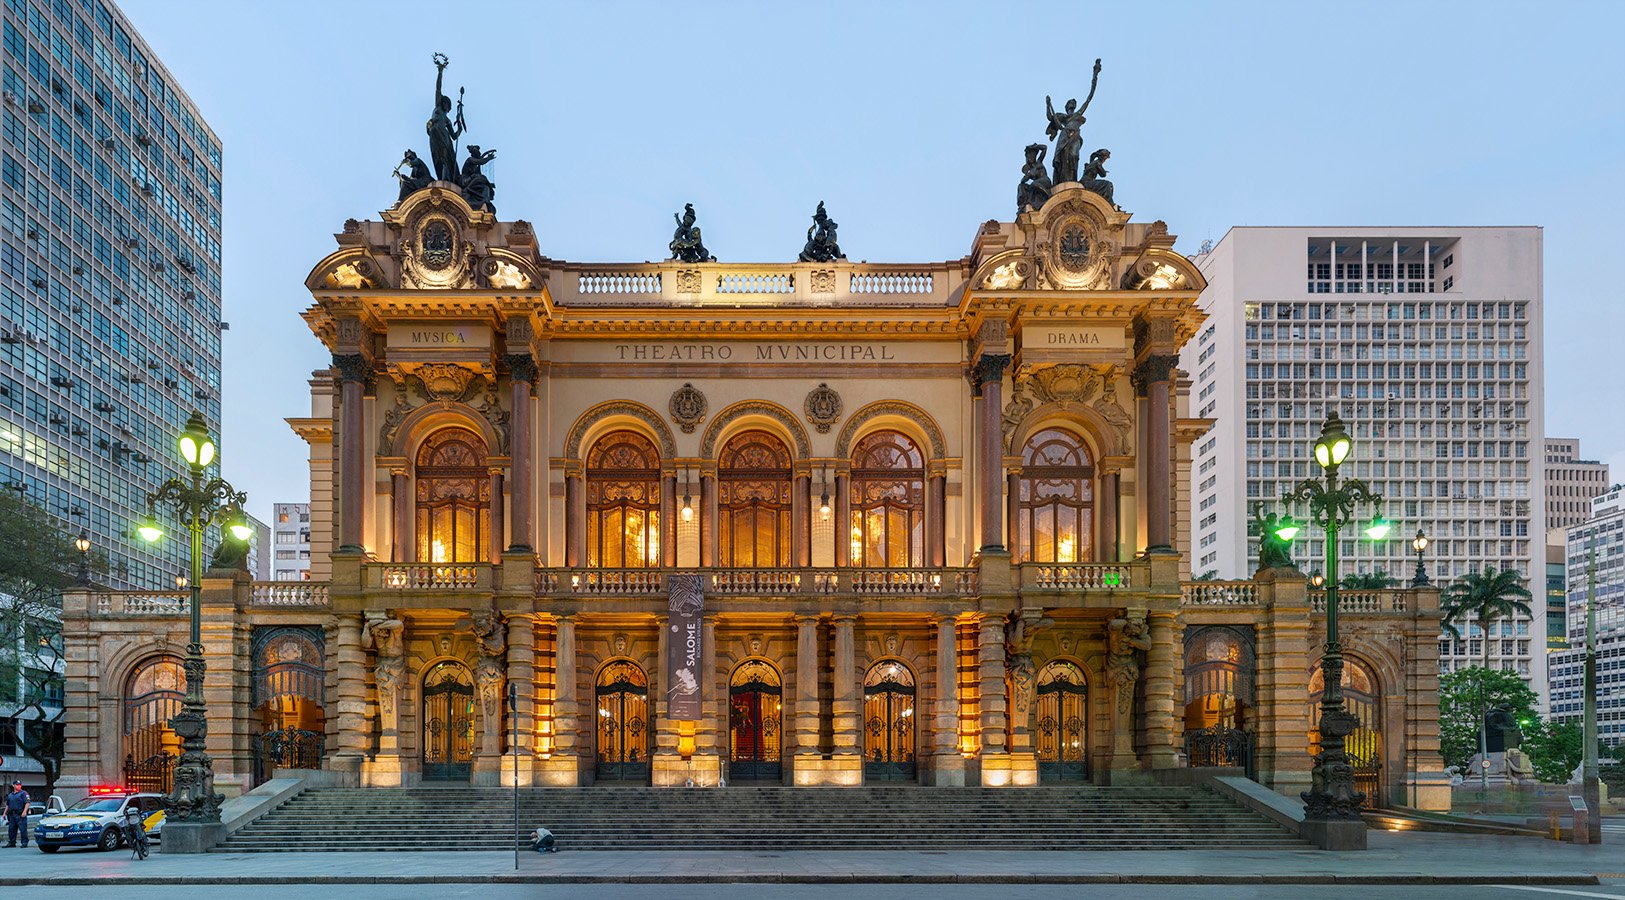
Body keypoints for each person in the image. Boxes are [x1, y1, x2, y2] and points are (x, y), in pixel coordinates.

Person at [4, 781, 30, 848]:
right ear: (13, 785)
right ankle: (12, 842)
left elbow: (27, 803)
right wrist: (4, 813)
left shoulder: (23, 793)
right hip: (11, 815)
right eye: (17, 785)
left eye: (20, 785)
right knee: (11, 829)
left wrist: (24, 812)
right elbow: (7, 805)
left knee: (23, 829)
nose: (19, 786)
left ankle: (24, 842)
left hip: (20, 814)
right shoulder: (10, 795)